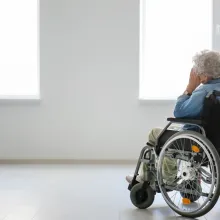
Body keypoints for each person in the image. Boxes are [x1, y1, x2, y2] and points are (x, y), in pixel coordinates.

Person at [126, 50, 220, 183]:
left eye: (196, 73)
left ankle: (162, 178)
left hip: (196, 141)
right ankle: (190, 185)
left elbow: (179, 112)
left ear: (204, 76)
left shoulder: (204, 92)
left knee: (155, 134)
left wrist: (189, 88)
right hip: (215, 142)